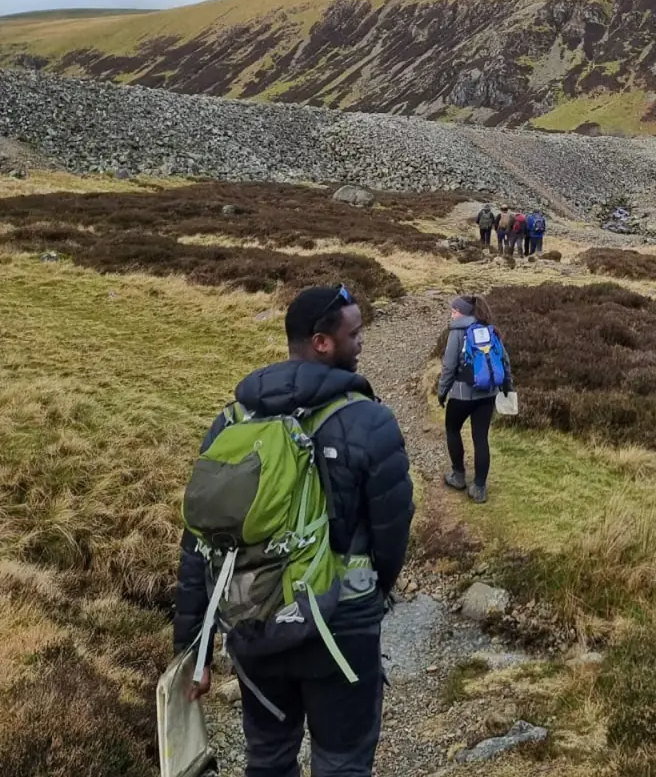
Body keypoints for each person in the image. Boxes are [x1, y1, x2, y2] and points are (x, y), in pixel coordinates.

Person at [173, 284, 415, 777]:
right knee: (342, 760)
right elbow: (392, 535)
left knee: (268, 755)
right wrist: (373, 598)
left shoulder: (230, 422)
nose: (362, 343)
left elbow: (201, 541)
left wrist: (191, 649)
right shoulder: (370, 421)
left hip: (254, 622)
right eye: (355, 333)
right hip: (339, 624)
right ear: (322, 342)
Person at [437, 295, 513, 504]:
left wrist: (442, 392)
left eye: (454, 310)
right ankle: (479, 488)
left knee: (453, 429)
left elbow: (449, 367)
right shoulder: (490, 329)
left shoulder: (457, 332)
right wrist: (508, 387)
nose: (452, 313)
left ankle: (458, 476)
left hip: (461, 395)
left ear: (462, 312)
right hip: (488, 394)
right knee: (480, 439)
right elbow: (504, 360)